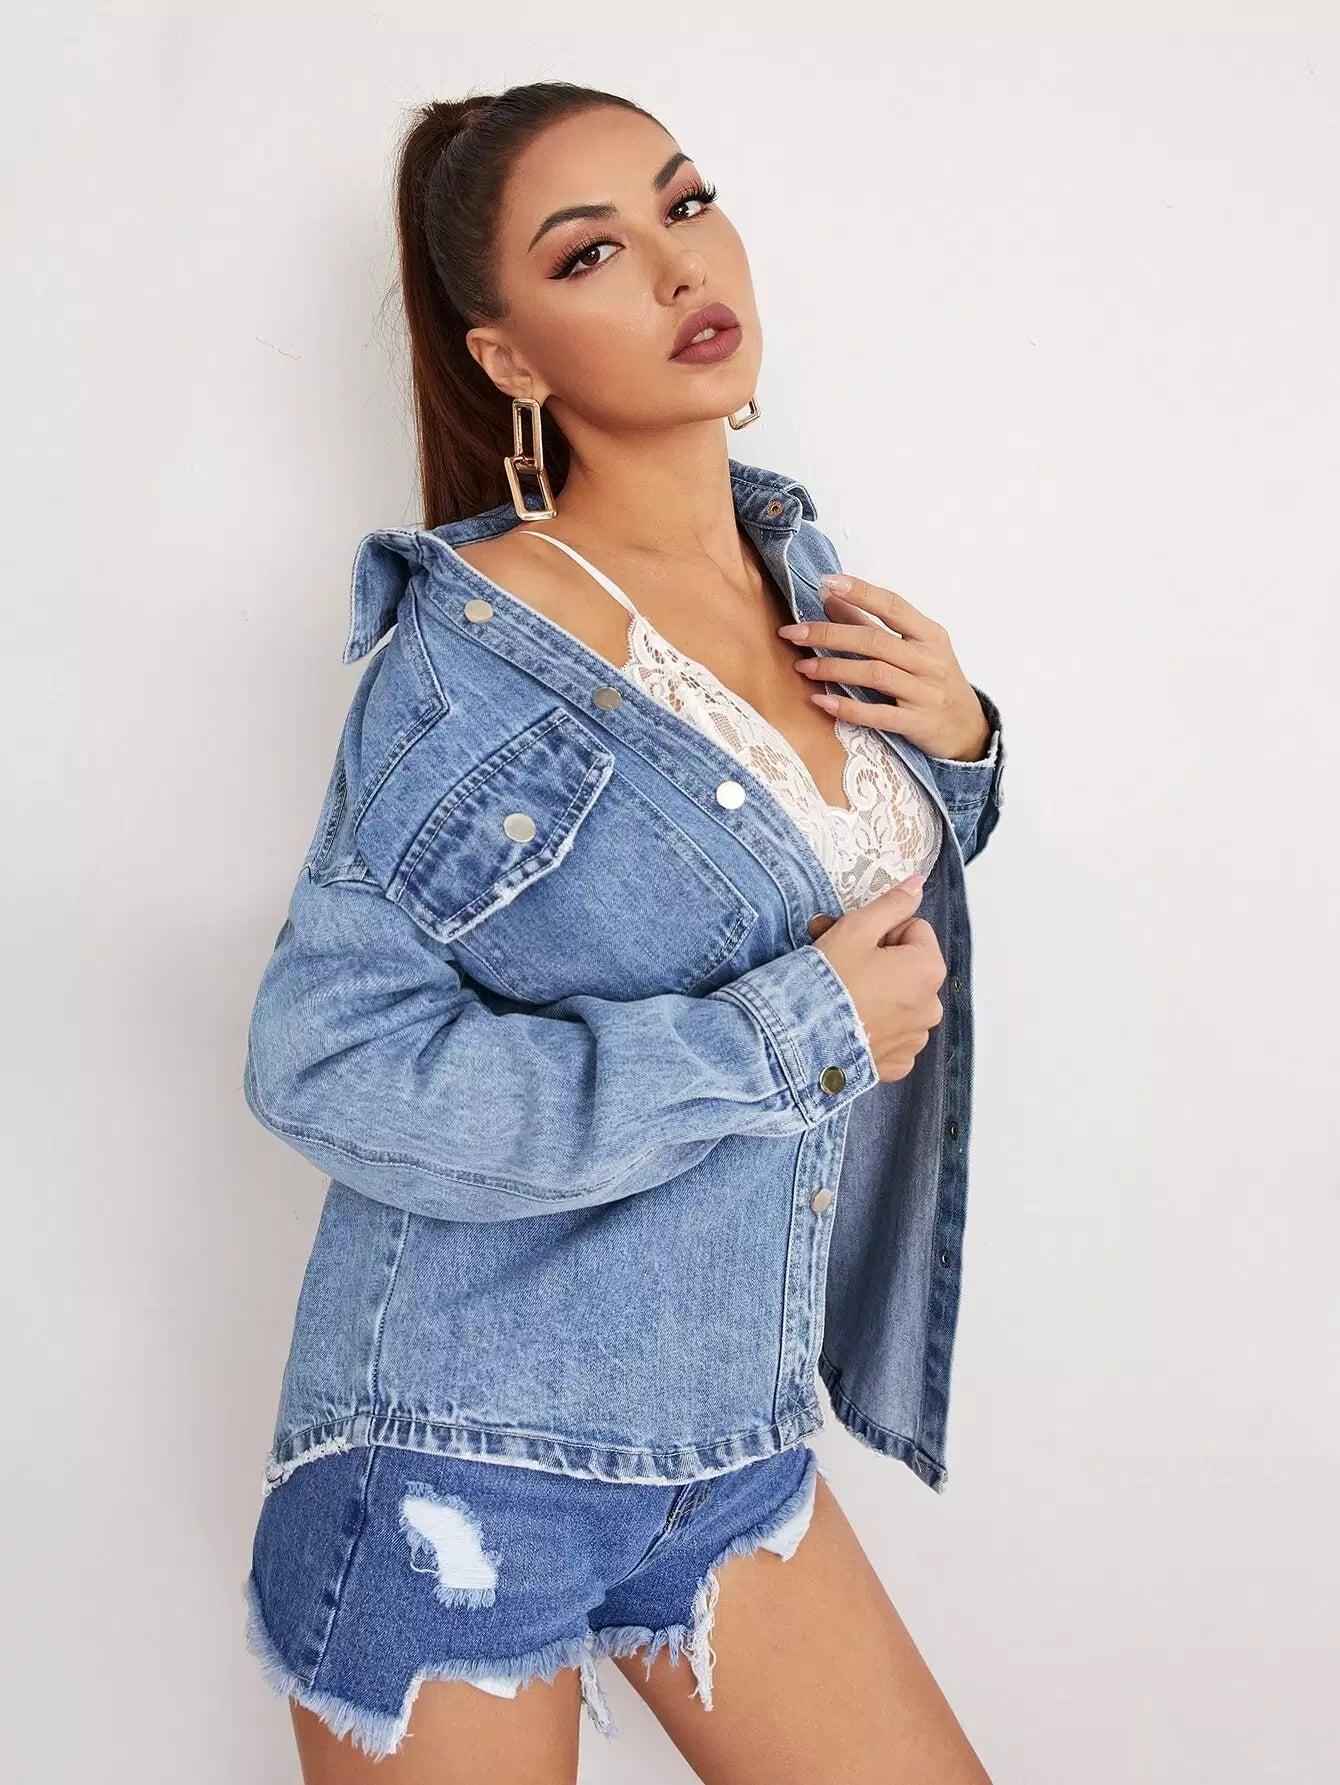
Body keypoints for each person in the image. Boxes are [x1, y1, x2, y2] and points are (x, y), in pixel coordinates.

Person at [241, 78, 1004, 1784]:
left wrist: (959, 750)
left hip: (727, 1447)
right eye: (590, 254)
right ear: (509, 358)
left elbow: (822, 903)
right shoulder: (475, 657)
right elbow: (323, 1059)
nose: (677, 268)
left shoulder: (801, 574)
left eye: (686, 203)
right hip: (457, 1458)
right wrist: (786, 1035)